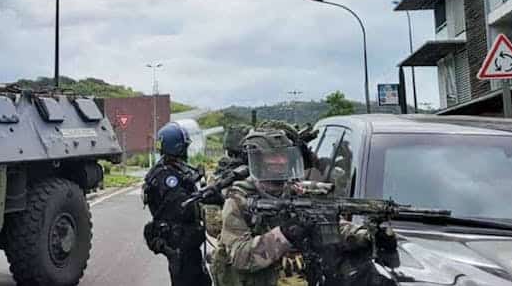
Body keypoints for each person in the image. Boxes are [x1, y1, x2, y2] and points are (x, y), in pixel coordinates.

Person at [211, 128, 397, 286]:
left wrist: (369, 236)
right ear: (258, 160)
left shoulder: (299, 192)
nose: (280, 162)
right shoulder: (239, 200)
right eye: (273, 157)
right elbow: (241, 257)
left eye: (283, 156)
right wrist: (285, 234)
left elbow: (334, 228)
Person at [143, 122, 216, 286]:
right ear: (177, 149)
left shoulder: (170, 170)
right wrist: (205, 197)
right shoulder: (167, 176)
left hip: (186, 244)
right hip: (180, 245)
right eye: (184, 148)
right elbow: (182, 207)